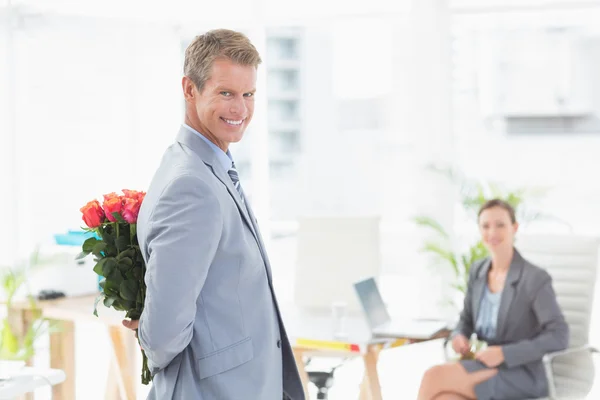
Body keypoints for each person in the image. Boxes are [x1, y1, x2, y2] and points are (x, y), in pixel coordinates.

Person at [121, 29, 305, 400]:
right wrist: (152, 336)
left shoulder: (204, 166)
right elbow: (164, 332)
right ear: (190, 89)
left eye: (248, 94)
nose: (240, 109)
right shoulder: (192, 185)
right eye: (226, 93)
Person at [417, 199, 569, 400]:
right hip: (483, 364)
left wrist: (504, 353)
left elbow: (559, 336)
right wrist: (459, 336)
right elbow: (466, 320)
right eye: (485, 226)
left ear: (514, 228)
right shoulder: (478, 271)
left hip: (521, 373)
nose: (492, 233)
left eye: (500, 225)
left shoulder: (533, 278)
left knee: (434, 377)